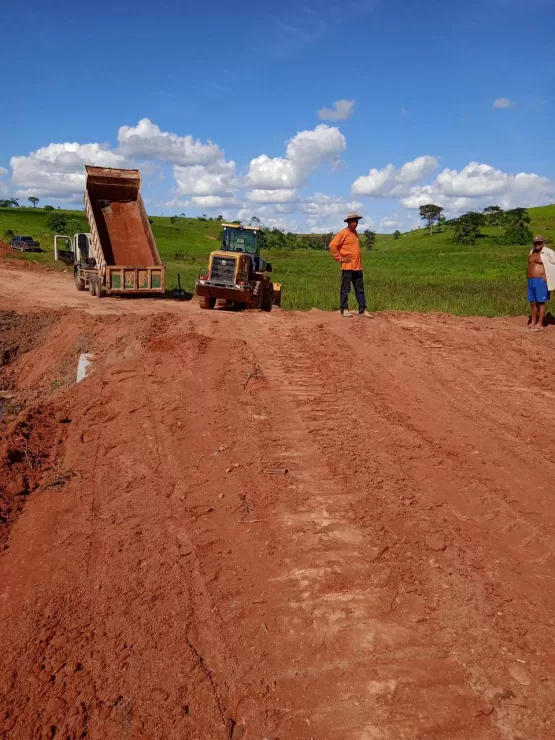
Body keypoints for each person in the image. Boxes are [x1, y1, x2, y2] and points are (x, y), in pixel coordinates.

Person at [329, 212, 373, 318]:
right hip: (347, 267)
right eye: (353, 221)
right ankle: (344, 309)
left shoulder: (355, 232)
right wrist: (340, 258)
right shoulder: (343, 233)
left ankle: (363, 310)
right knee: (345, 289)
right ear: (348, 222)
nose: (356, 223)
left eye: (357, 221)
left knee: (360, 289)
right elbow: (332, 245)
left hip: (358, 267)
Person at [527, 234, 555, 332]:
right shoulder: (532, 251)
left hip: (540, 281)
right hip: (531, 281)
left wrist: (549, 275)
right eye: (535, 242)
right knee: (533, 302)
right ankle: (533, 321)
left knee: (540, 302)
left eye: (539, 242)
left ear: (543, 242)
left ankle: (540, 324)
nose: (537, 244)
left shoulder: (549, 252)